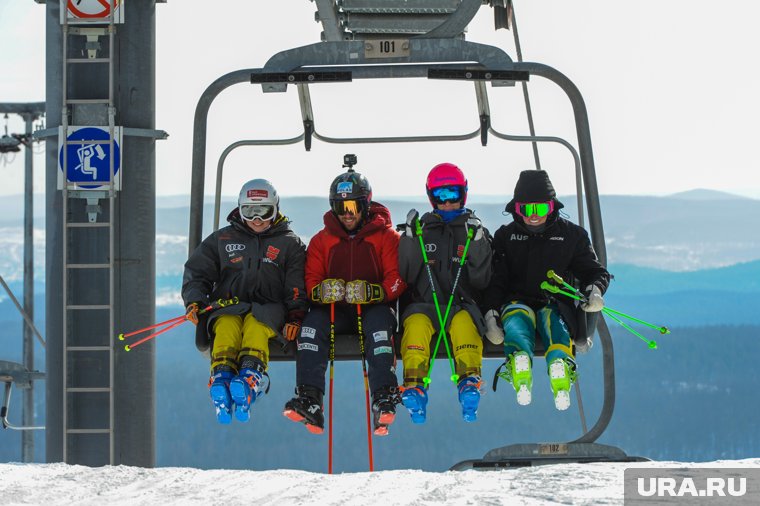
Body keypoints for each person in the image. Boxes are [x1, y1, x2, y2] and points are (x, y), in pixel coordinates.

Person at [283, 165, 406, 436]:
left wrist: (375, 292)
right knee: (311, 330)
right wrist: (322, 292)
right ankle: (310, 399)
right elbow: (310, 281)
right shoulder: (322, 241)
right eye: (340, 207)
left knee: (379, 333)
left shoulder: (386, 237)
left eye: (352, 206)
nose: (347, 214)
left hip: (374, 307)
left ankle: (384, 395)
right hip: (334, 310)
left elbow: (397, 279)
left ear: (365, 205)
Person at [182, 179, 308, 424]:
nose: (257, 219)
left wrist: (295, 316)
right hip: (227, 305)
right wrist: (195, 301)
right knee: (226, 325)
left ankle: (251, 375)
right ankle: (222, 375)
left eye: (264, 211)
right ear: (240, 210)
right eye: (249, 211)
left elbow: (297, 286)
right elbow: (198, 273)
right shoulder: (223, 239)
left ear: (276, 210)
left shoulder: (288, 244)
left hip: (270, 308)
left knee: (256, 325)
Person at [484, 169, 609, 410]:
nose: (533, 217)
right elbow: (496, 280)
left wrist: (594, 290)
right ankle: (520, 361)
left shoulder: (571, 236)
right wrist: (490, 312)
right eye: (526, 210)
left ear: (552, 207)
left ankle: (559, 366)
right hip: (516, 300)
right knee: (517, 321)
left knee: (555, 323)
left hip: (555, 302)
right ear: (516, 209)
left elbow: (594, 271)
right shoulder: (506, 237)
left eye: (540, 209)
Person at [396, 162, 492, 423]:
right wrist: (409, 240)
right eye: (440, 196)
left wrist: (479, 243)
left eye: (453, 195)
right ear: (431, 198)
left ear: (464, 194)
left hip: (461, 305)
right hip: (424, 305)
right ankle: (414, 385)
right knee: (415, 326)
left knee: (464, 327)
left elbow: (481, 278)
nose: (447, 203)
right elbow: (406, 273)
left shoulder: (473, 230)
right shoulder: (422, 230)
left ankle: (469, 380)